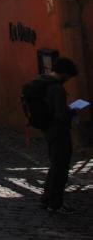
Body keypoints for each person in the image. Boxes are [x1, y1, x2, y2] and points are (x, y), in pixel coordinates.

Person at [38, 57, 80, 214]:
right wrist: (73, 111)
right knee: (61, 167)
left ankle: (47, 199)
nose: (68, 79)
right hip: (59, 131)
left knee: (55, 165)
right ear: (64, 73)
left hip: (49, 130)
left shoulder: (45, 83)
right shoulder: (57, 89)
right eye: (68, 76)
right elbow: (60, 114)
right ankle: (55, 203)